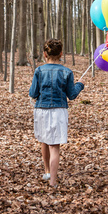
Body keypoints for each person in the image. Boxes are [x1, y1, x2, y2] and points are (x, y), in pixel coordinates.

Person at [29, 38, 85, 188]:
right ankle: (52, 181)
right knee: (54, 145)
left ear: (45, 54)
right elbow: (72, 95)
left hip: (41, 110)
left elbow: (33, 93)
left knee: (44, 140)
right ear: (61, 54)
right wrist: (79, 85)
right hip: (58, 111)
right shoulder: (66, 72)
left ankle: (47, 172)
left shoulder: (39, 70)